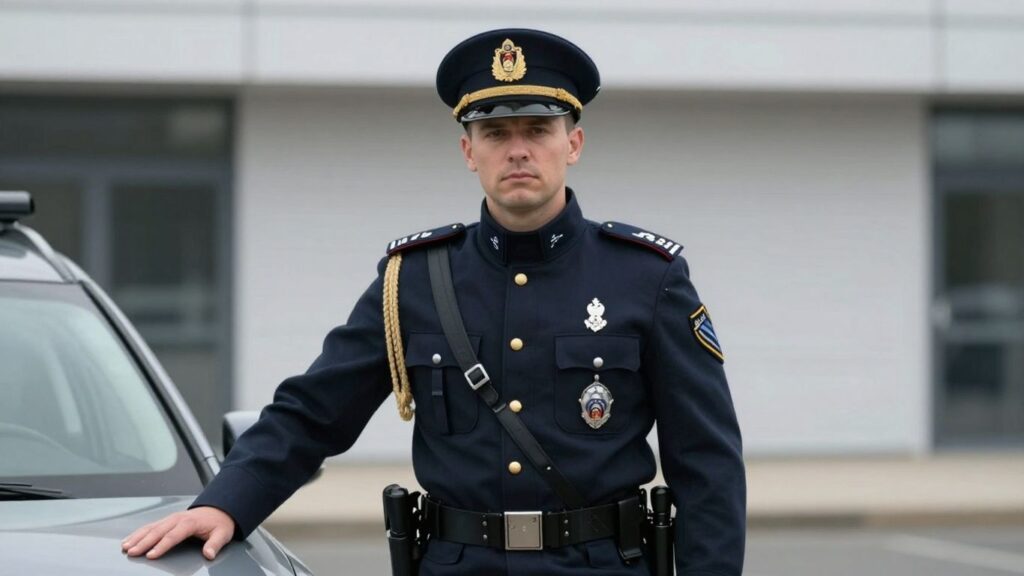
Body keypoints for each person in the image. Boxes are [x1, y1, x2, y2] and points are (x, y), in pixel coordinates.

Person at [122, 28, 746, 575]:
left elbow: (707, 463)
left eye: (538, 129)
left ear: (573, 143)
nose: (518, 149)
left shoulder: (647, 278)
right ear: (468, 151)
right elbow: (313, 413)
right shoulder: (414, 280)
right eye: (495, 132)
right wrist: (223, 503)